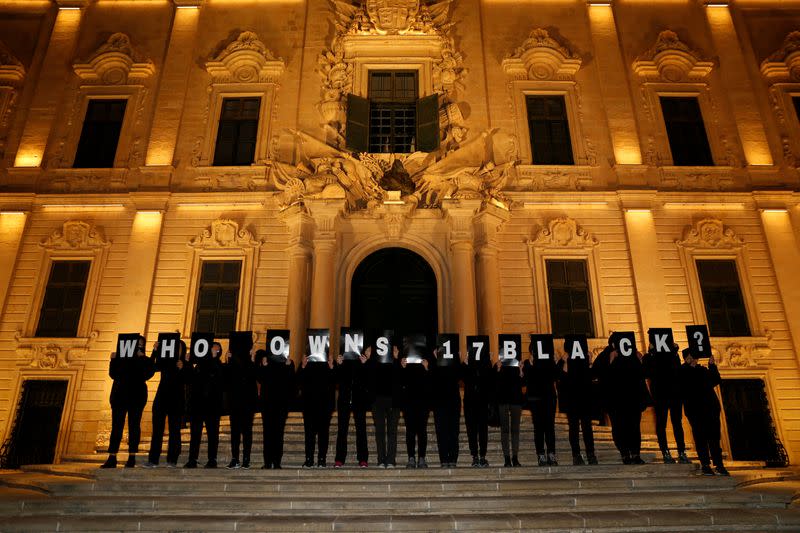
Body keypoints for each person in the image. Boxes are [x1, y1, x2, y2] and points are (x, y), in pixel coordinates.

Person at [593, 339, 650, 465]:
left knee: (634, 427)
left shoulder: (632, 354)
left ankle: (636, 454)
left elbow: (644, 374)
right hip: (615, 401)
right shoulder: (605, 355)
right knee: (619, 427)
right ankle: (625, 454)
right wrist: (611, 361)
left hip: (633, 399)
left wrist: (641, 361)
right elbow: (596, 373)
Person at [101, 336, 154, 468]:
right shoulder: (121, 358)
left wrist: (145, 357)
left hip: (137, 396)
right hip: (120, 396)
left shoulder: (144, 360)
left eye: (142, 345)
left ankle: (132, 457)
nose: (140, 347)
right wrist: (113, 360)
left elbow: (148, 374)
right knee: (116, 426)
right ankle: (112, 456)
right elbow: (113, 374)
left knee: (134, 426)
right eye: (138, 344)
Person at [680, 350, 729, 476]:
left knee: (714, 438)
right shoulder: (682, 371)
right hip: (695, 411)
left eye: (695, 357)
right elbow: (682, 385)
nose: (694, 359)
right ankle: (706, 465)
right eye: (691, 357)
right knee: (700, 438)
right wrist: (689, 367)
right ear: (686, 358)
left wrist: (712, 366)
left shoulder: (703, 370)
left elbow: (716, 380)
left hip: (711, 409)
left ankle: (719, 465)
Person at [642, 343, 689, 464]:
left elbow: (677, 370)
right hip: (660, 395)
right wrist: (652, 353)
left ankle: (681, 452)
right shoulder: (649, 357)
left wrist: (674, 350)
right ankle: (665, 452)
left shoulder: (672, 356)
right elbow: (647, 372)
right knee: (661, 424)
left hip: (675, 394)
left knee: (677, 424)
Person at [144, 339, 188, 468]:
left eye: (179, 347)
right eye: (175, 347)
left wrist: (183, 368)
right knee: (157, 430)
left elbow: (189, 380)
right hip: (161, 398)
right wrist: (155, 351)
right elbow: (150, 369)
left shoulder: (185, 363)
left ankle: (172, 459)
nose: (177, 349)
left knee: (175, 431)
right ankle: (153, 460)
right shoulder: (165, 360)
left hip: (177, 399)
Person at [185, 342, 225, 469]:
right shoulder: (199, 365)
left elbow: (220, 378)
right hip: (197, 404)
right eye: (213, 347)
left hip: (212, 405)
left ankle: (212, 459)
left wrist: (213, 359)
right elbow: (190, 379)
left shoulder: (219, 364)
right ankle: (192, 459)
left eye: (217, 348)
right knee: (195, 434)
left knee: (213, 434)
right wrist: (188, 363)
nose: (214, 349)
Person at [334, 346, 373, 468]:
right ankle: (339, 459)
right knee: (342, 430)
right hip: (344, 400)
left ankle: (363, 459)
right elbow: (336, 380)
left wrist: (365, 365)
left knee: (361, 429)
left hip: (359, 400)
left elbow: (370, 381)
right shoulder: (343, 358)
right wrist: (339, 365)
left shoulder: (361, 360)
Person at [556, 350, 597, 465]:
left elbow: (592, 377)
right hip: (571, 400)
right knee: (573, 428)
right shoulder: (564, 360)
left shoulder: (584, 360)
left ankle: (591, 454)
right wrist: (564, 361)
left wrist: (589, 362)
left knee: (587, 428)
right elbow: (561, 378)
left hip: (584, 399)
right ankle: (576, 455)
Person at [256, 349, 295, 469]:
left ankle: (277, 462)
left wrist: (288, 366)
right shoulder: (266, 361)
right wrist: (264, 366)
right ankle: (267, 462)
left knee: (278, 434)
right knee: (267, 433)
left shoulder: (288, 362)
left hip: (281, 404)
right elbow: (259, 379)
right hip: (267, 404)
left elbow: (292, 381)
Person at [299, 352, 335, 468]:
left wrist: (331, 367)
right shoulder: (307, 361)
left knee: (323, 434)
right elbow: (297, 381)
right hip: (309, 405)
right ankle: (309, 459)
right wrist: (303, 366)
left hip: (325, 405)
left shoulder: (327, 361)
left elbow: (335, 381)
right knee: (309, 434)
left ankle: (321, 459)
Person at [524, 350, 559, 466]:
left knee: (550, 427)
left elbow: (556, 376)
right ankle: (540, 454)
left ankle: (551, 453)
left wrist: (555, 361)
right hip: (535, 399)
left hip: (549, 398)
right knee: (538, 428)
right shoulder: (528, 363)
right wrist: (531, 364)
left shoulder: (548, 362)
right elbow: (526, 381)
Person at [400, 341, 432, 468]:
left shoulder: (426, 361)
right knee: (410, 432)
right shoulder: (405, 362)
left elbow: (431, 384)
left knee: (422, 431)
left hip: (423, 402)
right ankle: (411, 457)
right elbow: (400, 382)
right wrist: (402, 368)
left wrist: (427, 368)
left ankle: (422, 458)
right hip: (408, 402)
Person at [226, 343, 258, 469]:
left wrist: (253, 359)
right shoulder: (233, 367)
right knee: (235, 433)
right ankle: (235, 458)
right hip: (235, 404)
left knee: (246, 432)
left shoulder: (250, 365)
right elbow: (226, 379)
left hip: (248, 405)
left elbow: (255, 376)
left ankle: (246, 459)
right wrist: (227, 360)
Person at [372, 345, 402, 468]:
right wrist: (368, 360)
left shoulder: (396, 362)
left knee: (392, 432)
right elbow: (370, 378)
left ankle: (390, 460)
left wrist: (396, 359)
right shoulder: (375, 360)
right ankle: (381, 459)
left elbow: (400, 379)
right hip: (377, 400)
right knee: (379, 432)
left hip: (393, 401)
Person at [432, 346, 462, 468]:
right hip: (439, 401)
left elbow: (459, 377)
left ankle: (453, 458)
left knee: (453, 431)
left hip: (453, 401)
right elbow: (433, 379)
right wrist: (435, 360)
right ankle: (444, 459)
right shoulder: (437, 365)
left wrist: (458, 360)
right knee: (441, 431)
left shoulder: (454, 365)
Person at [462, 351, 491, 467]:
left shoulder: (484, 366)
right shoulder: (467, 366)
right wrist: (465, 364)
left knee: (483, 430)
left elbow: (489, 380)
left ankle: (483, 456)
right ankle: (474, 455)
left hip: (482, 402)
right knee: (471, 430)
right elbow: (463, 379)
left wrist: (488, 362)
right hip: (470, 403)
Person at [494, 357, 524, 467]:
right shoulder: (500, 362)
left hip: (516, 399)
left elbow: (523, 383)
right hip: (503, 400)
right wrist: (498, 368)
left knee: (515, 430)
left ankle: (515, 457)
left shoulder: (517, 363)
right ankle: (507, 458)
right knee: (505, 430)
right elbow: (494, 382)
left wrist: (521, 370)